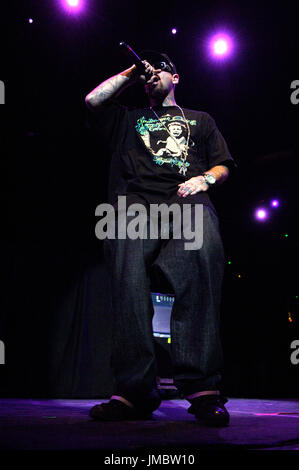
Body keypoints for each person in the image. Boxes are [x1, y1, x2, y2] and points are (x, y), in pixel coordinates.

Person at [85, 50, 236, 426]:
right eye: (149, 71)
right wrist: (133, 72)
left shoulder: (200, 120)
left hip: (187, 204)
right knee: (127, 285)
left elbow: (223, 164)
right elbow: (93, 100)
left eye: (161, 69)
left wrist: (206, 178)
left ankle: (202, 388)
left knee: (201, 264)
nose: (154, 74)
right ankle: (135, 390)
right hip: (134, 208)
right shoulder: (128, 119)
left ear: (177, 78)